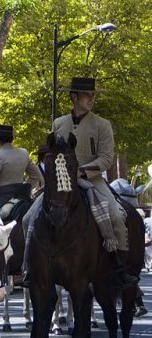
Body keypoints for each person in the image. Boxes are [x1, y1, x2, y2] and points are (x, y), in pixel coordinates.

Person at [52, 77, 138, 288]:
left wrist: (82, 171)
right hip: (62, 180)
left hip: (92, 180)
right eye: (88, 95)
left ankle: (120, 268)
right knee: (30, 216)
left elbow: (107, 159)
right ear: (74, 97)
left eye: (93, 95)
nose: (92, 98)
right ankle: (31, 268)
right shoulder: (58, 124)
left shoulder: (102, 125)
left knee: (117, 215)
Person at [0, 124, 44, 212]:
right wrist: (24, 188)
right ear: (12, 139)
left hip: (2, 197)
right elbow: (36, 175)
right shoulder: (23, 152)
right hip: (21, 197)